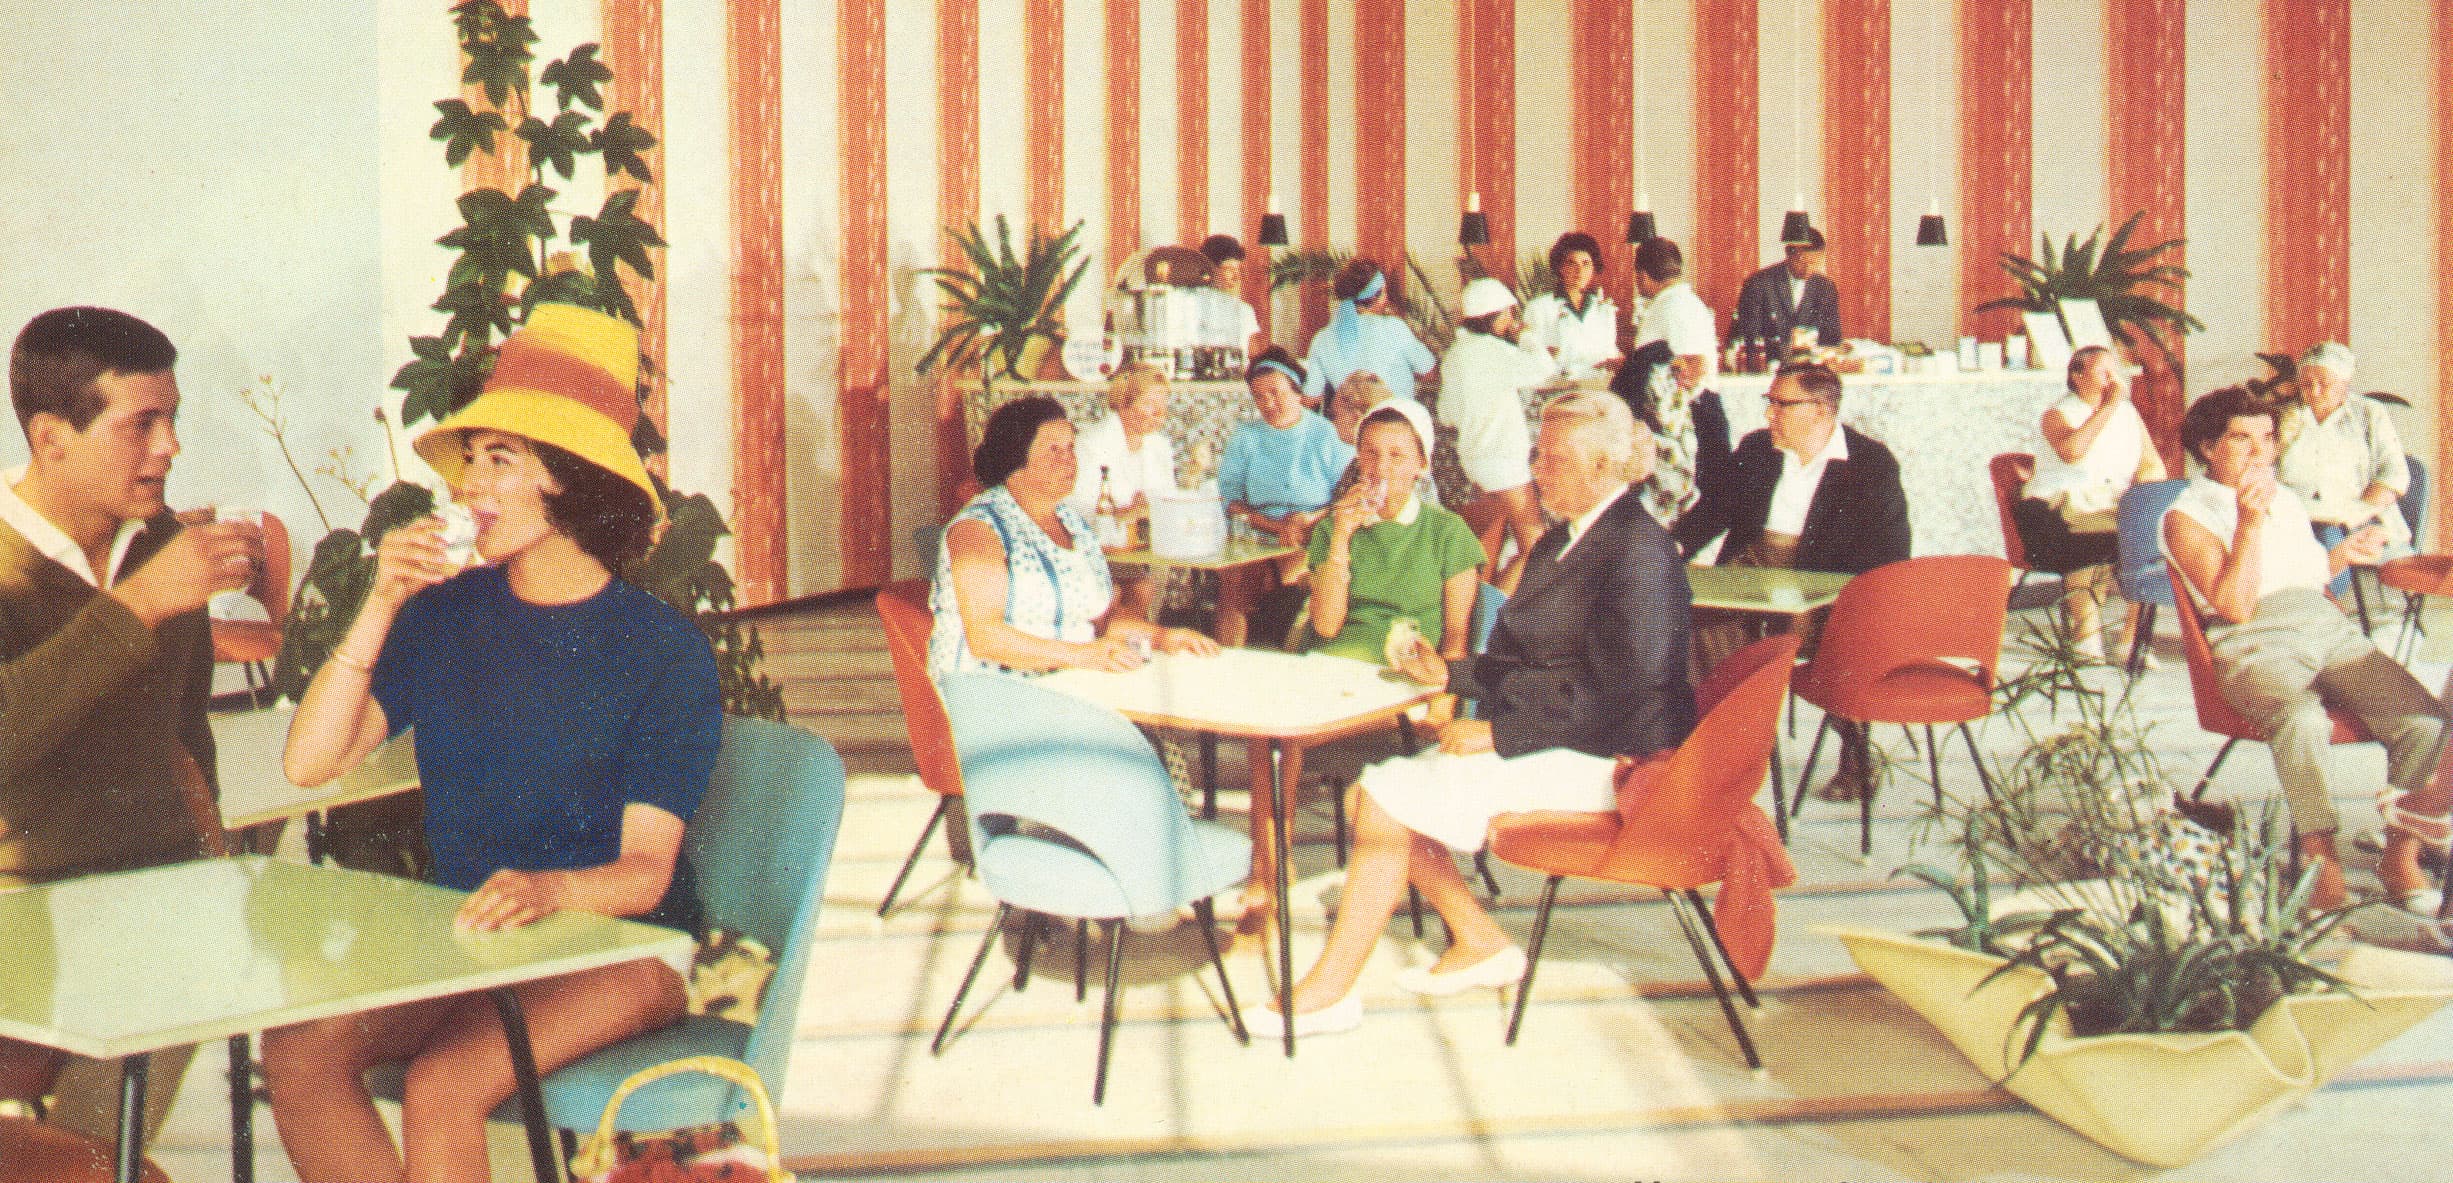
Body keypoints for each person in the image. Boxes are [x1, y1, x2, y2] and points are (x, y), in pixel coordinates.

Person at [262, 305, 723, 1182]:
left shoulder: (662, 650)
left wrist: (546, 887)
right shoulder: (444, 615)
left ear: (574, 480)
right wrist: (381, 602)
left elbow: (645, 874)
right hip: (475, 936)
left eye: (499, 458)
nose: (469, 483)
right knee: (299, 1048)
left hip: (622, 944)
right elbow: (309, 762)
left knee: (444, 1082)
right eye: (470, 457)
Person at [1248, 391, 1695, 1036]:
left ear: (1600, 467)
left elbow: (1633, 697)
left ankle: (1329, 991)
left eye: (1551, 459)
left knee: (1382, 801)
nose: (1535, 471)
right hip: (1564, 740)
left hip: (1616, 762)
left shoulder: (1638, 550)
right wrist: (1448, 673)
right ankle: (1479, 939)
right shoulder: (1564, 540)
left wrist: (1499, 734)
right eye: (1537, 455)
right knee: (1372, 797)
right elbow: (1522, 662)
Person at [0, 307, 264, 1110]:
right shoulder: (149, 572)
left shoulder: (161, 547)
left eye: (172, 418)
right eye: (141, 424)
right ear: (51, 437)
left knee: (97, 1149)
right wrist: (140, 604)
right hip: (18, 907)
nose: (171, 446)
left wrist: (221, 884)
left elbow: (186, 740)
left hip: (153, 905)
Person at [2162, 386, 2448, 913]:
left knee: (2424, 721)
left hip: (2324, 626)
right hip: (2252, 641)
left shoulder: (2286, 499)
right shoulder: (2186, 515)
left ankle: (2399, 853)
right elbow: (2235, 605)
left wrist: (2344, 554)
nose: (2261, 451)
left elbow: (2308, 578)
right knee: (2304, 720)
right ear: (2208, 448)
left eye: (2268, 438)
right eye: (2242, 439)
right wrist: (2248, 523)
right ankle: (2322, 860)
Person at [1687, 361, 1908, 800]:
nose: (1769, 414)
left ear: (1821, 410)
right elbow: (1714, 511)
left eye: (1780, 404)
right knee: (1696, 622)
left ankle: (1857, 753)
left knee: (1834, 641)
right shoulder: (1757, 448)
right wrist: (1670, 548)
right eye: (1768, 402)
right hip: (1755, 565)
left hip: (1824, 580)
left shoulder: (1870, 463)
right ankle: (1724, 747)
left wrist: (1844, 601)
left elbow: (1888, 552)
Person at [931, 394, 1216, 676]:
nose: (1068, 460)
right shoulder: (979, 527)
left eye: (1070, 448)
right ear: (1014, 459)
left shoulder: (1074, 524)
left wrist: (1164, 638)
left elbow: (1102, 623)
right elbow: (986, 638)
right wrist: (1085, 656)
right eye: (1053, 450)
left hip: (1064, 680)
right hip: (987, 688)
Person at [2012, 344, 2169, 661]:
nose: (2113, 379)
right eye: (2103, 372)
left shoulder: (2128, 414)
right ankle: (2087, 637)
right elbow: (2072, 451)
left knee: (2151, 534)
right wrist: (2108, 407)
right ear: (2077, 376)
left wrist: (2149, 503)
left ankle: (2132, 640)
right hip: (2057, 506)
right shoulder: (2058, 414)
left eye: (2115, 371)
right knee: (2095, 536)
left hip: (2109, 503)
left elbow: (2151, 464)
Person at [1303, 400, 1483, 666]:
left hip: (1407, 672)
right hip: (1334, 666)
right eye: (1371, 453)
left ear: (1421, 464)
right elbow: (1326, 626)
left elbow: (1455, 643)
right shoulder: (1331, 529)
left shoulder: (1448, 532)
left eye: (1396, 456)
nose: (1380, 468)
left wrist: (1443, 690)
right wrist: (1341, 536)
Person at [1217, 350, 1352, 648]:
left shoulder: (1326, 434)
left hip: (1312, 533)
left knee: (1298, 582)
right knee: (1233, 581)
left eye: (1275, 393)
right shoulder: (1246, 436)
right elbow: (1229, 499)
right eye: (1259, 397)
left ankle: (1295, 648)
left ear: (1296, 390)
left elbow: (1346, 496)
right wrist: (1276, 527)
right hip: (1258, 533)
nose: (1268, 403)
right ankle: (1227, 661)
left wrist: (1309, 522)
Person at [1439, 278, 1559, 588]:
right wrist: (1527, 336)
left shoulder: (1455, 355)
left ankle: (1482, 608)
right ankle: (1497, 612)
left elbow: (1446, 414)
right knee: (1536, 547)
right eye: (1508, 313)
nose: (1511, 320)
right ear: (1494, 316)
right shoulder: (1493, 351)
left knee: (1489, 546)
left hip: (1475, 461)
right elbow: (1545, 367)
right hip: (1504, 462)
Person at [2276, 341, 2409, 599]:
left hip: (2354, 517)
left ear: (2344, 383)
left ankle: (2323, 608)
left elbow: (2394, 473)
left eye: (2323, 383)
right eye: (2306, 384)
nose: (2314, 392)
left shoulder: (2369, 413)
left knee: (2329, 547)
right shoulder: (2288, 414)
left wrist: (2360, 510)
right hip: (2296, 517)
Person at [1065, 363, 1177, 617]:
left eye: (1163, 404)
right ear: (1124, 402)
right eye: (1149, 404)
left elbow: (1166, 503)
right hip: (1095, 549)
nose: (1159, 413)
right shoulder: (1091, 443)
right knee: (1121, 592)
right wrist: (1128, 513)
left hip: (1141, 554)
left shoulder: (1159, 446)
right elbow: (1078, 510)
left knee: (1144, 588)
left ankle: (1136, 635)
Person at [1300, 258, 1436, 412]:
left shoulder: (1321, 339)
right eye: (1385, 292)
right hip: (1397, 421)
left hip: (1353, 424)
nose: (1387, 298)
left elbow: (1310, 399)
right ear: (1376, 296)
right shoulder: (1394, 327)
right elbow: (1429, 372)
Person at [1519, 232, 1621, 381]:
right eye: (1572, 263)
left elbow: (1610, 350)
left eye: (1586, 263)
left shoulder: (1604, 308)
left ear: (1594, 267)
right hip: (1557, 387)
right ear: (1560, 267)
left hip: (1599, 385)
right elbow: (1531, 356)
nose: (1580, 271)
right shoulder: (1539, 308)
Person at [1731, 225, 1843, 353]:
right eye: (1801, 262)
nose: (1808, 269)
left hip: (1812, 362)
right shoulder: (1758, 283)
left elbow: (1832, 339)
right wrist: (1788, 340)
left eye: (1814, 263)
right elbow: (1746, 336)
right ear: (1788, 254)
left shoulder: (1826, 287)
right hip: (1768, 361)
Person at [1197, 234, 1265, 357]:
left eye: (1238, 270)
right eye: (1229, 269)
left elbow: (1254, 357)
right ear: (1210, 271)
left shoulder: (1244, 310)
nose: (1236, 277)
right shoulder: (1191, 306)